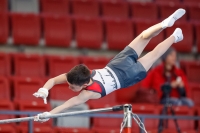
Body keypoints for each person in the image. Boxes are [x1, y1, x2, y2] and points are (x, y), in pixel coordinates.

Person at [33, 9, 186, 122]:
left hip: (126, 77)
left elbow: (67, 105)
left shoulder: (88, 93)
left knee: (153, 55)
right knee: (143, 37)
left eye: (72, 87)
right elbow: (52, 80)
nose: (70, 88)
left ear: (85, 83)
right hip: (116, 64)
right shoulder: (77, 75)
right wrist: (44, 89)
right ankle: (163, 25)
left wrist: (50, 114)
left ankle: (175, 36)